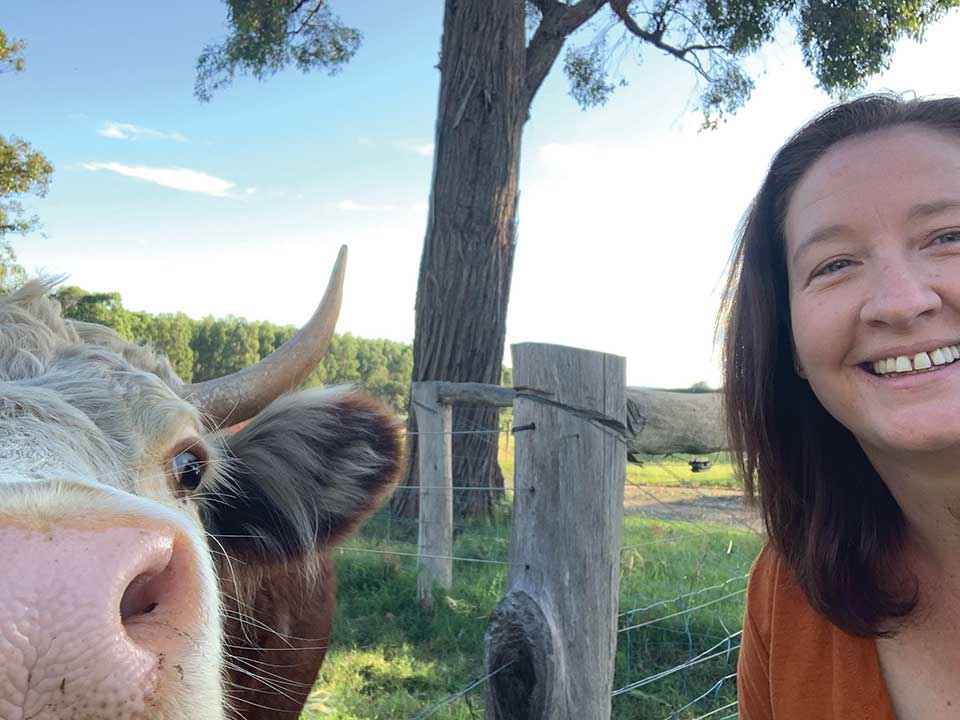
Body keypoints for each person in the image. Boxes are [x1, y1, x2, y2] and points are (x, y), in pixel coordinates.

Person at [723, 94, 960, 719]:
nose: (899, 302)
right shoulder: (793, 592)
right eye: (834, 265)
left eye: (949, 236)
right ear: (791, 344)